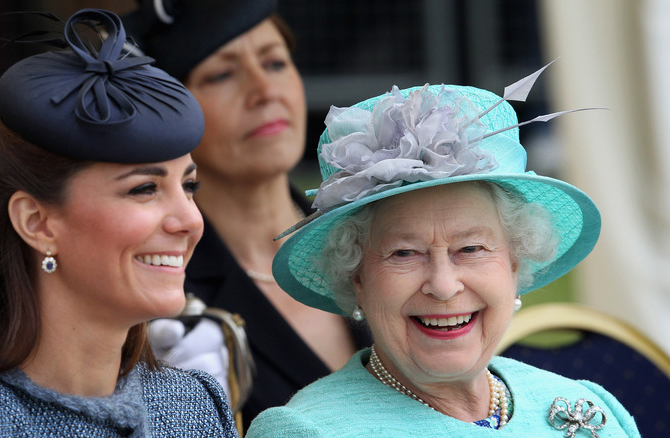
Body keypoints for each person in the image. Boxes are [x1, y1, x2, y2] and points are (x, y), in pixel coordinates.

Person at [0, 9, 237, 437]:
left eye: (189, 186)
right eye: (144, 189)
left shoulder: (193, 406)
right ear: (37, 223)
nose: (190, 220)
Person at [246, 66, 641, 436]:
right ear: (358, 278)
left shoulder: (588, 408)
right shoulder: (309, 430)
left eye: (471, 248)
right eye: (404, 253)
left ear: (514, 263)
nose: (444, 285)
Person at [123, 0, 371, 428]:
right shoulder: (160, 293)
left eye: (274, 63)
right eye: (222, 74)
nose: (264, 91)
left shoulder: (376, 232)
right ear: (169, 112)